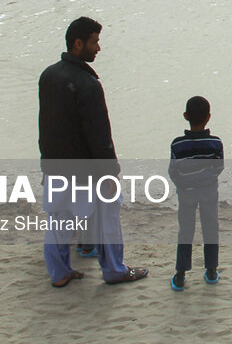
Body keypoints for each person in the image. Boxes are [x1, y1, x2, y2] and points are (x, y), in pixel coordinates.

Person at [38, 16, 148, 286]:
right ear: (78, 43)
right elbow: (99, 135)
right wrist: (111, 173)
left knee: (59, 222)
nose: (98, 48)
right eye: (94, 42)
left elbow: (45, 125)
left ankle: (60, 272)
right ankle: (114, 270)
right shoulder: (88, 85)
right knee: (108, 219)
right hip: (85, 171)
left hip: (55, 166)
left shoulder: (48, 76)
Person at [169, 95, 225, 291]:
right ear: (208, 117)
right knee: (211, 229)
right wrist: (205, 178)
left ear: (185, 116)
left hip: (186, 193)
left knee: (185, 231)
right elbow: (219, 167)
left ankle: (181, 274)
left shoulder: (177, 144)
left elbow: (173, 171)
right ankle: (211, 270)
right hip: (209, 191)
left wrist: (183, 184)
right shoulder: (215, 143)